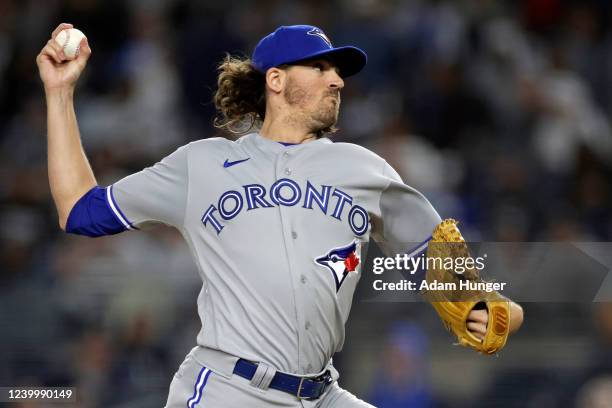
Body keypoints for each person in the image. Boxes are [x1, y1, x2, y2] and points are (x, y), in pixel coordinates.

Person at [37, 23, 524, 407]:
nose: (336, 79)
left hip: (321, 393)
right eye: (318, 67)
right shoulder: (201, 164)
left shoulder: (364, 168)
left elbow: (442, 267)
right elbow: (81, 210)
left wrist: (487, 307)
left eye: (337, 71)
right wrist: (59, 94)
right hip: (230, 390)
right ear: (275, 79)